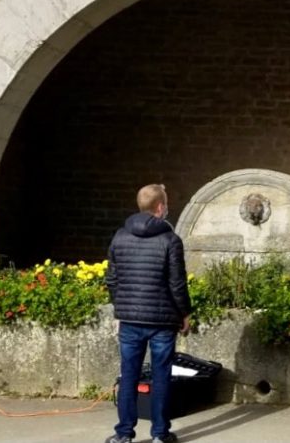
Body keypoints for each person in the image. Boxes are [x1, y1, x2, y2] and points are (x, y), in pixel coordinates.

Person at [105, 184, 192, 443]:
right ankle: (159, 434)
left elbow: (112, 278)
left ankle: (123, 434)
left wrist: (121, 306)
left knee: (129, 375)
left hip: (130, 319)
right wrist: (184, 313)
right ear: (160, 207)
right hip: (163, 320)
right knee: (161, 375)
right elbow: (177, 283)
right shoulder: (170, 240)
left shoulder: (120, 236)